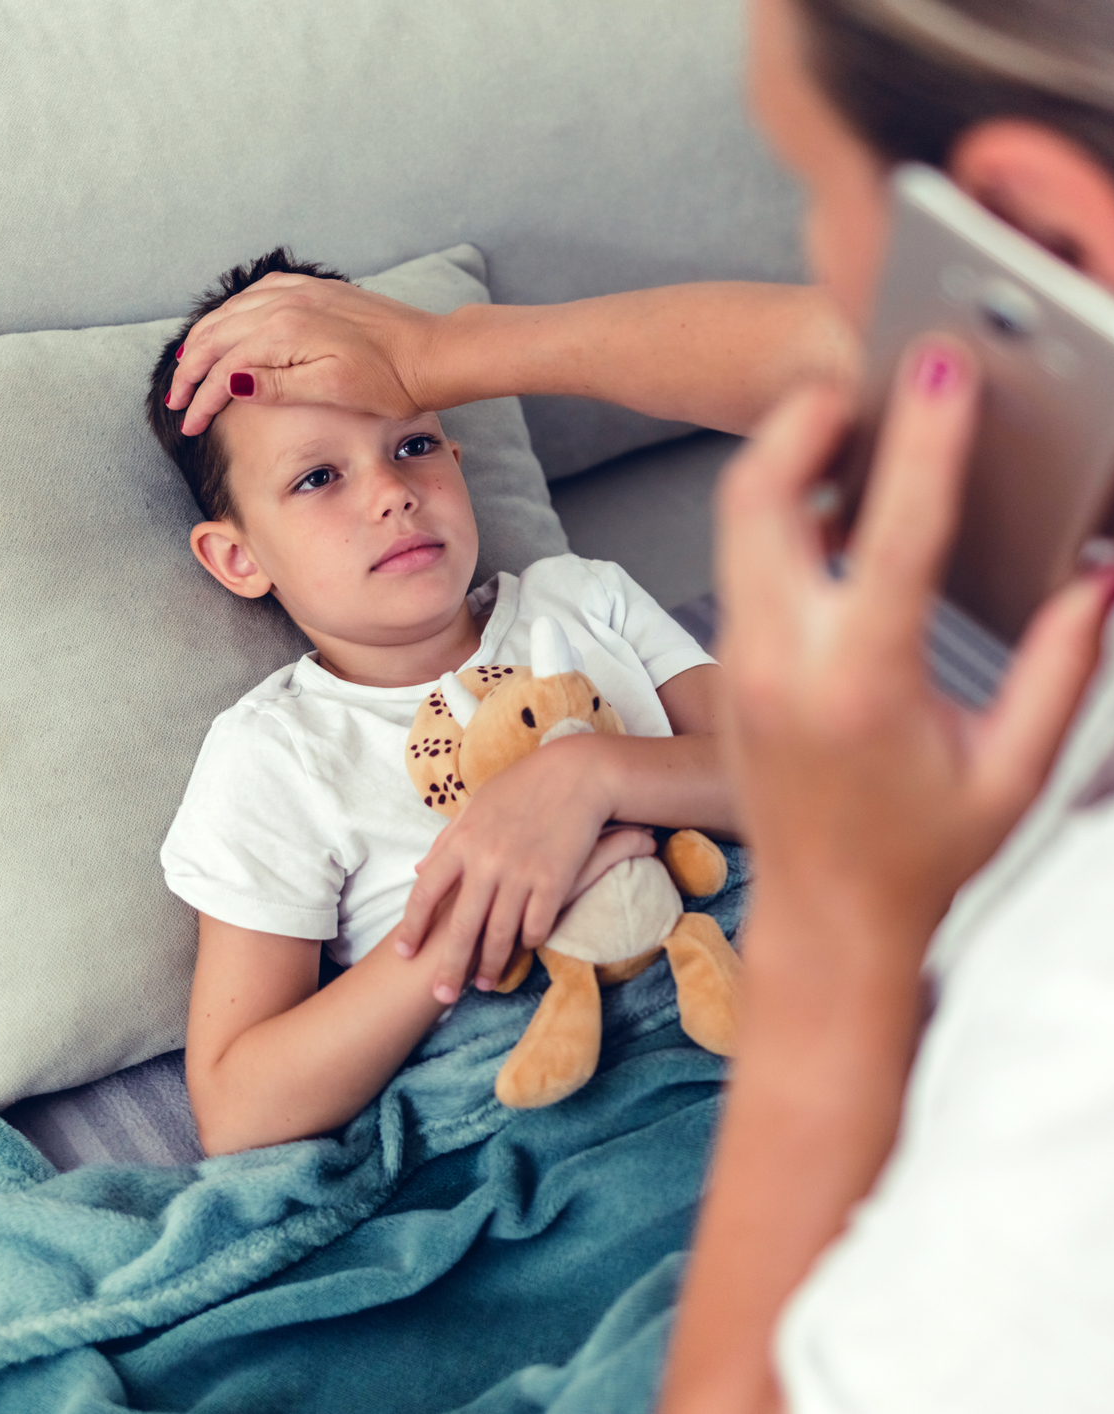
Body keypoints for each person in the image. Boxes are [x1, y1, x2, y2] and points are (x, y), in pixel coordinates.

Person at [163, 0, 1114, 1406]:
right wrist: (446, 355)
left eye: (822, 203)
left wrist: (845, 926)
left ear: (1041, 251)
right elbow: (823, 353)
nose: (838, 291)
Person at [146, 251, 734, 1157]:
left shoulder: (585, 599)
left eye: (412, 446)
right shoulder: (277, 756)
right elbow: (239, 1110)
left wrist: (598, 776)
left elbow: (809, 788)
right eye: (316, 478)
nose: (391, 492)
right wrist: (470, 912)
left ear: (456, 461)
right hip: (541, 1104)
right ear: (237, 558)